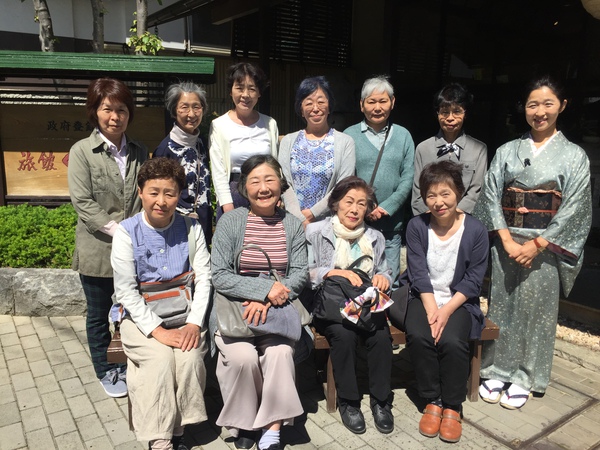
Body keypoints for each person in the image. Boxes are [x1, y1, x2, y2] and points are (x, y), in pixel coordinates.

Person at [474, 76, 592, 409]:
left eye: (547, 103)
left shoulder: (574, 156)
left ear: (562, 106)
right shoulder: (508, 150)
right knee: (503, 304)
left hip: (546, 246)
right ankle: (496, 368)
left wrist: (538, 243)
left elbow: (575, 207)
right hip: (508, 241)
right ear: (524, 108)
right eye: (532, 104)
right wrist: (507, 240)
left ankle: (526, 375)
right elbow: (492, 195)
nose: (539, 111)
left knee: (536, 312)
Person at [111, 157, 211, 450]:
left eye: (169, 193)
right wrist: (158, 331)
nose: (161, 201)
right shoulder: (126, 232)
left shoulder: (191, 228)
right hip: (140, 317)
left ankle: (178, 427)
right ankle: (160, 439)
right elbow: (127, 292)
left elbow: (204, 278)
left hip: (184, 312)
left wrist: (194, 322)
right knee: (160, 359)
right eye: (154, 192)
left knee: (189, 358)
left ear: (179, 195)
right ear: (141, 192)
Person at [211, 155, 308, 450]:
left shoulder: (292, 224)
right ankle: (244, 422)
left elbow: (300, 274)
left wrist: (270, 299)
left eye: (270, 179)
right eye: (254, 181)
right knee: (243, 358)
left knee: (279, 355)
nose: (263, 187)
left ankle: (272, 428)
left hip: (277, 311)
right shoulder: (230, 221)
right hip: (235, 309)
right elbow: (220, 275)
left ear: (281, 184)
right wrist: (262, 291)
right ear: (244, 188)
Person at [67, 77, 147, 398]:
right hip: (97, 252)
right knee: (98, 315)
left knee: (133, 309)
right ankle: (106, 369)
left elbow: (145, 197)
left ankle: (133, 360)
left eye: (122, 110)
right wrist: (119, 231)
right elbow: (82, 202)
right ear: (95, 112)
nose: (115, 117)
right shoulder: (82, 152)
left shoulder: (140, 151)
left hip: (134, 253)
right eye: (107, 109)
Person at [402, 161, 488, 443]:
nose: (438, 202)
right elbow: (418, 273)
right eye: (431, 195)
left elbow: (474, 279)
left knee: (452, 340)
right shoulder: (416, 226)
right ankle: (432, 399)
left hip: (460, 301)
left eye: (445, 194)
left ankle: (453, 404)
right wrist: (432, 311)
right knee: (419, 334)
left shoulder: (476, 230)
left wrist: (446, 310)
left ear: (459, 193)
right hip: (423, 296)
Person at [306, 176, 393, 435]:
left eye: (362, 204)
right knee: (344, 336)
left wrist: (383, 278)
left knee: (381, 337)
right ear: (335, 204)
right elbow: (304, 273)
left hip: (364, 306)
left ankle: (381, 402)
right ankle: (349, 402)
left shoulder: (375, 237)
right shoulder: (316, 231)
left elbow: (387, 271)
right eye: (349, 202)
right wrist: (333, 273)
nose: (355, 209)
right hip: (330, 305)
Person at [344, 76, 414, 286]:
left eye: (382, 101)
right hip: (358, 220)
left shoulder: (403, 136)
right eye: (371, 101)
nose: (377, 107)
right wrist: (364, 207)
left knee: (388, 277)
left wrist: (387, 207)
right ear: (361, 105)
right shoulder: (350, 135)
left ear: (392, 102)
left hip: (391, 222)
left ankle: (385, 314)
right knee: (358, 271)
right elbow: (347, 178)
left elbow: (408, 176)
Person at [280, 76, 355, 227]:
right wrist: (299, 217)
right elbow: (283, 182)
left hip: (329, 223)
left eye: (321, 102)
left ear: (329, 106)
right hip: (292, 222)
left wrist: (313, 213)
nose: (315, 108)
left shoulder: (345, 142)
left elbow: (343, 185)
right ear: (301, 109)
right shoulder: (287, 141)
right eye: (308, 103)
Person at [209, 62, 279, 220]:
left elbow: (275, 164)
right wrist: (227, 203)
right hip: (234, 194)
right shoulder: (219, 125)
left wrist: (277, 195)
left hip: (265, 194)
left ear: (259, 93)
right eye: (239, 88)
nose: (245, 95)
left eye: (252, 88)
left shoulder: (270, 123)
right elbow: (218, 168)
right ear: (231, 91)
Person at [412, 83, 487, 215]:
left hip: (463, 219)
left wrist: (455, 214)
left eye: (457, 111)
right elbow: (418, 191)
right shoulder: (423, 148)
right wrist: (434, 215)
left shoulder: (479, 149)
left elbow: (477, 189)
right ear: (437, 114)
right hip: (430, 218)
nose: (450, 118)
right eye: (445, 112)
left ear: (465, 113)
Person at [154, 81, 212, 245]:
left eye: (196, 107)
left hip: (202, 220)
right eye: (184, 107)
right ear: (174, 111)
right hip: (176, 223)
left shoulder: (200, 143)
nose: (191, 114)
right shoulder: (166, 149)